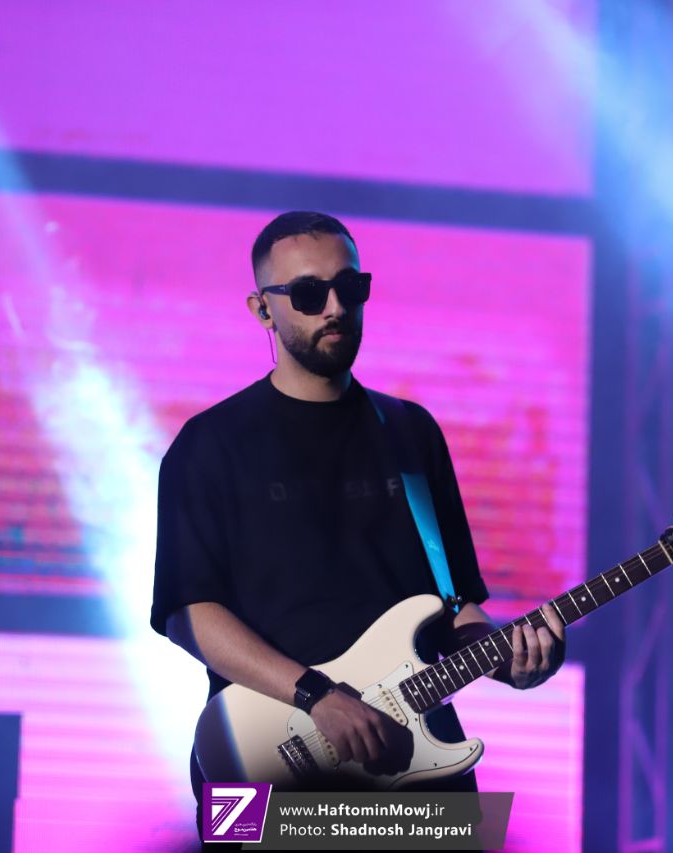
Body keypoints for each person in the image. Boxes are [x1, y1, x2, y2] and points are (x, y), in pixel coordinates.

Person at [149, 210, 566, 839]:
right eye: (309, 293)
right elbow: (190, 613)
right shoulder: (210, 444)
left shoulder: (411, 431)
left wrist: (510, 659)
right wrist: (317, 696)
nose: (336, 307)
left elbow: (455, 605)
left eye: (351, 287)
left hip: (420, 756)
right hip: (265, 754)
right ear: (263, 310)